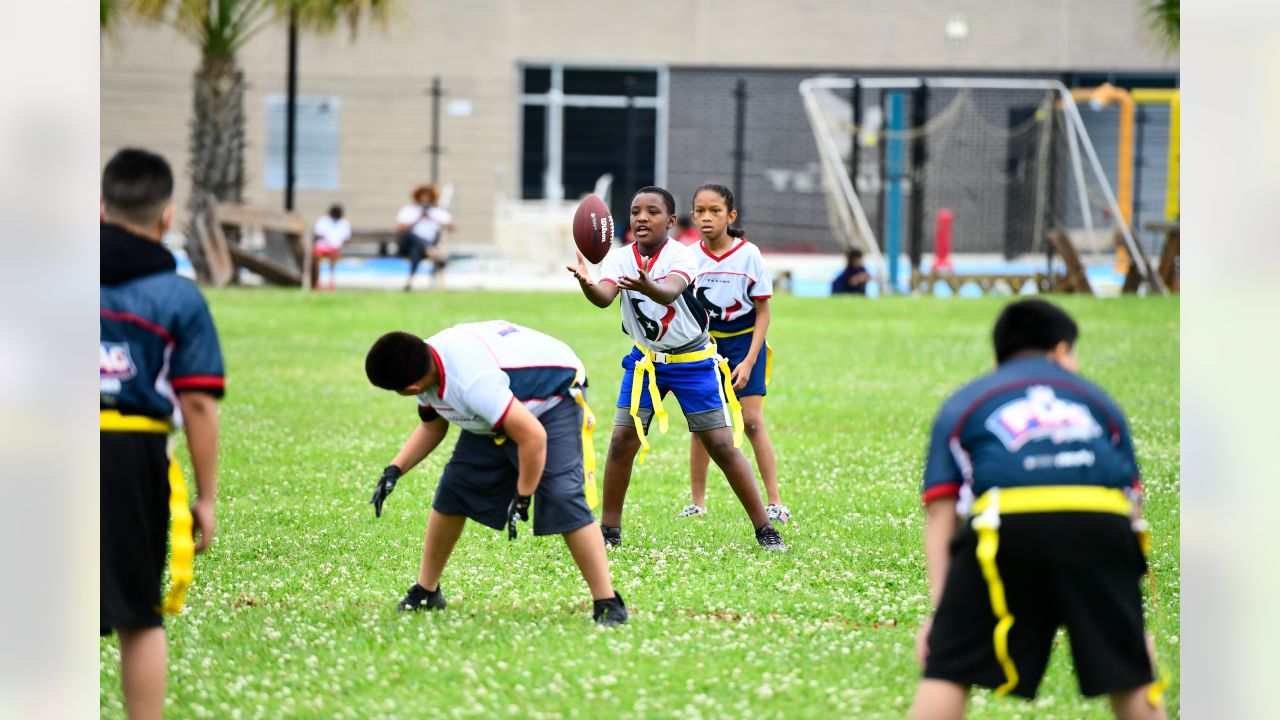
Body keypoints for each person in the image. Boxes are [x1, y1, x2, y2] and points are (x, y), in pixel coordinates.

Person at [910, 299, 1166, 720]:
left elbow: (941, 513)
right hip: (1099, 519)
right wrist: (1128, 617)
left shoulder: (968, 400)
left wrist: (943, 616)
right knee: (1131, 675)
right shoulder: (1097, 401)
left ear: (999, 357)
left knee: (948, 668)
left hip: (1004, 523)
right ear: (1062, 351)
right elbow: (1132, 505)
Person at [566, 185, 787, 552]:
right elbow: (605, 298)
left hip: (691, 360)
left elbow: (668, 291)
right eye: (636, 211)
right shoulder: (621, 258)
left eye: (652, 212)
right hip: (646, 361)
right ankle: (609, 531)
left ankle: (765, 528)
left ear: (669, 221)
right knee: (622, 441)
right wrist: (588, 283)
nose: (641, 218)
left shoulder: (683, 256)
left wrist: (646, 284)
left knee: (721, 444)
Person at [364, 322, 627, 625]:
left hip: (552, 397)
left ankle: (607, 601)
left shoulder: (472, 383)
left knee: (561, 496)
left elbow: (533, 437)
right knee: (454, 491)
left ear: (409, 388)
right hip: (498, 408)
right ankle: (427, 591)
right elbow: (432, 426)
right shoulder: (425, 363)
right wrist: (394, 470)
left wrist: (523, 496)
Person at [100, 148, 225, 719]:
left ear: (101, 209)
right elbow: (199, 402)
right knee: (138, 615)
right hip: (131, 457)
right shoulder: (178, 296)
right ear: (166, 217)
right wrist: (206, 496)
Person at [680, 182, 790, 524]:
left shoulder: (749, 254)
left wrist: (749, 360)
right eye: (700, 210)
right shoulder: (688, 257)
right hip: (705, 343)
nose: (706, 217)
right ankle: (697, 503)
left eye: (715, 210)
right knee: (703, 425)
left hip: (744, 341)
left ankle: (774, 502)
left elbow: (763, 312)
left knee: (753, 421)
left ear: (731, 215)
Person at [395, 184, 455, 291]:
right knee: (412, 237)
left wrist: (432, 217)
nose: (425, 199)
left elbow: (452, 226)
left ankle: (409, 282)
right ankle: (430, 251)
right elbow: (400, 230)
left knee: (416, 251)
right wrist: (417, 218)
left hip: (422, 247)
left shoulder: (436, 212)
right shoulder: (409, 210)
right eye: (422, 196)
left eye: (428, 196)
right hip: (406, 244)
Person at [311, 204, 351, 291]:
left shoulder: (344, 223)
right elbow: (318, 234)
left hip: (335, 248)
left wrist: (336, 245)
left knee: (333, 256)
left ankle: (330, 282)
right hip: (323, 247)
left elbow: (346, 238)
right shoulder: (323, 220)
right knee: (317, 256)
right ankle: (318, 281)